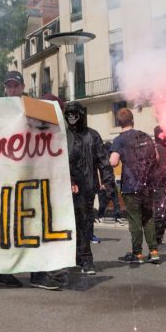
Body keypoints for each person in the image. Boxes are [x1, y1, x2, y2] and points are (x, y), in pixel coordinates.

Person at [0, 71, 62, 290]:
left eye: (15, 85)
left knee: (32, 224)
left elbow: (52, 124)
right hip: (8, 177)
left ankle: (35, 272)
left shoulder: (32, 106)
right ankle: (13, 272)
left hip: (31, 176)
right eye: (8, 86)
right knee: (13, 225)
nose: (12, 89)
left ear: (23, 87)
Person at [64, 101, 115, 275]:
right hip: (67, 188)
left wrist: (108, 184)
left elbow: (104, 161)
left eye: (74, 113)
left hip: (87, 187)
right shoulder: (63, 136)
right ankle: (75, 256)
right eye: (68, 114)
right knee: (70, 223)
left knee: (85, 223)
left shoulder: (92, 136)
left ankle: (86, 258)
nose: (71, 117)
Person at [110, 107, 160, 264]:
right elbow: (156, 157)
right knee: (149, 217)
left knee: (135, 219)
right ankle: (154, 251)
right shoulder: (144, 135)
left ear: (119, 123)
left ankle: (137, 254)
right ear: (133, 120)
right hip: (147, 183)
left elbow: (113, 161)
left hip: (131, 185)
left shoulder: (119, 140)